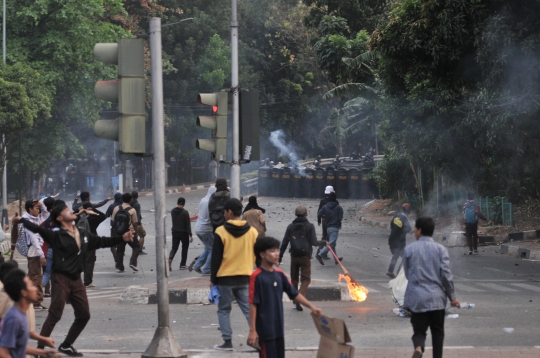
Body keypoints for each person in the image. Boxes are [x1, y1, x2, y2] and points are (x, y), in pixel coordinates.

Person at [14, 203, 134, 357]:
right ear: (59, 218)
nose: (70, 211)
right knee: (55, 314)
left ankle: (66, 345)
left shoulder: (82, 234)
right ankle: (40, 350)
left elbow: (101, 241)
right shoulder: (56, 236)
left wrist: (122, 238)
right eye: (66, 211)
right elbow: (37, 229)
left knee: (84, 314)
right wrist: (21, 220)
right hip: (61, 278)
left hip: (76, 279)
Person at [248, 237, 322, 358]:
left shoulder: (279, 274)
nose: (277, 254)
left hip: (278, 328)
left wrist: (312, 307)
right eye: (272, 251)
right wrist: (252, 330)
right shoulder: (256, 277)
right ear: (262, 254)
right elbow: (252, 304)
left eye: (277, 250)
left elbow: (294, 294)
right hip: (265, 331)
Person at [403, 217, 460, 358]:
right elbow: (446, 276)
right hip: (437, 299)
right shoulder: (441, 250)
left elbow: (407, 273)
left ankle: (419, 347)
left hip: (417, 299)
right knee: (438, 332)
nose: (414, 232)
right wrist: (452, 297)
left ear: (420, 230)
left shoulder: (409, 250)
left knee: (419, 331)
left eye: (415, 229)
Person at [210, 198, 258, 351]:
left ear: (229, 212)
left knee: (224, 310)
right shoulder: (253, 232)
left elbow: (216, 258)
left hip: (225, 278)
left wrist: (213, 279)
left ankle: (227, 342)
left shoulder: (220, 231)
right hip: (245, 277)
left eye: (224, 212)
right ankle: (257, 339)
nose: (224, 215)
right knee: (248, 309)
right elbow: (258, 255)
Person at [0, 269, 60, 358]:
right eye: (31, 285)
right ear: (23, 292)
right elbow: (3, 352)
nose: (35, 288)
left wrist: (42, 352)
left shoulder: (21, 314)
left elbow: (18, 347)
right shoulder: (14, 318)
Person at [279, 205, 326, 311]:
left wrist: (280, 257)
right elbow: (314, 242)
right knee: (306, 279)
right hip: (305, 256)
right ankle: (300, 297)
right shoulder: (310, 226)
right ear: (306, 214)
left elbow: (285, 242)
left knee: (294, 279)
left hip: (294, 255)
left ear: (296, 214)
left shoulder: (291, 226)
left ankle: (295, 301)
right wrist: (323, 242)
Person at [21, 199, 50, 310]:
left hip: (35, 250)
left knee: (33, 276)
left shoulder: (35, 218)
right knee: (36, 278)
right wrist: (42, 255)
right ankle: (35, 303)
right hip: (34, 251)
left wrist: (41, 205)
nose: (39, 210)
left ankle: (29, 299)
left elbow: (46, 214)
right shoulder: (27, 220)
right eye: (37, 208)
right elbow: (33, 240)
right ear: (30, 209)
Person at [111, 192, 141, 273]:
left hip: (119, 232)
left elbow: (113, 221)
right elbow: (135, 223)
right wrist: (135, 233)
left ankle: (120, 267)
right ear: (130, 200)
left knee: (120, 250)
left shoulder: (116, 208)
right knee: (136, 247)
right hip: (129, 231)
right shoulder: (132, 210)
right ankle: (133, 262)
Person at [190, 186, 217, 275]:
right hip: (206, 229)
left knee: (208, 248)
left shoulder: (203, 200)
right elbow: (211, 216)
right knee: (213, 249)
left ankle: (197, 266)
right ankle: (206, 270)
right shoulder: (210, 202)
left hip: (199, 228)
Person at [80, 203, 106, 287]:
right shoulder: (93, 218)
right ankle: (87, 281)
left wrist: (79, 211)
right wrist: (94, 210)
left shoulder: (78, 217)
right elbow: (103, 216)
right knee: (90, 261)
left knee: (83, 260)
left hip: (80, 241)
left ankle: (80, 280)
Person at [316, 192, 343, 265]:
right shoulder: (338, 207)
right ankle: (320, 254)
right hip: (335, 227)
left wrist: (323, 218)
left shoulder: (325, 207)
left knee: (332, 244)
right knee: (331, 243)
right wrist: (339, 223)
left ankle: (336, 260)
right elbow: (340, 217)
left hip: (328, 227)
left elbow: (319, 214)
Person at [386, 203, 412, 279]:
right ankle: (398, 274)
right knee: (405, 257)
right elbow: (410, 231)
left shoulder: (396, 216)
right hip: (400, 242)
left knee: (395, 256)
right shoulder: (405, 219)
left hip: (391, 239)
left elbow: (391, 225)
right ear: (409, 212)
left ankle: (390, 271)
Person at [169, 197, 193, 270]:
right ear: (184, 204)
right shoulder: (185, 212)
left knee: (174, 248)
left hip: (175, 232)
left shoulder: (173, 211)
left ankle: (170, 259)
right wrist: (190, 235)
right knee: (184, 248)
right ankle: (182, 265)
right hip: (183, 233)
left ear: (177, 202)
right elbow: (187, 224)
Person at [317, 186, 337, 258]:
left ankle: (320, 251)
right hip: (331, 221)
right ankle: (322, 252)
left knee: (324, 236)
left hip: (324, 220)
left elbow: (319, 211)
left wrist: (319, 220)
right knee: (329, 238)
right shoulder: (335, 202)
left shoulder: (323, 201)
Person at [105, 192, 123, 264]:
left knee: (112, 245)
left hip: (114, 228)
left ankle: (117, 259)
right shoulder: (123, 206)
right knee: (120, 245)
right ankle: (119, 260)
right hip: (123, 228)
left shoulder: (112, 206)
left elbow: (107, 215)